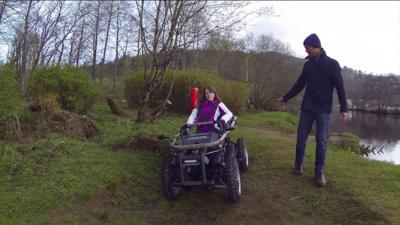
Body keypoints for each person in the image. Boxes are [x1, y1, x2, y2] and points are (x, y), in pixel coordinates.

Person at [277, 33, 348, 187]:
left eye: (307, 48)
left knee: (321, 141)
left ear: (316, 47)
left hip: (323, 110)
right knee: (301, 138)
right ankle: (298, 166)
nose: (306, 51)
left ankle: (318, 173)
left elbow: (340, 87)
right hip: (307, 108)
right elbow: (299, 84)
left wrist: (344, 108)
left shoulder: (332, 64)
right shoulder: (307, 65)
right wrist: (286, 97)